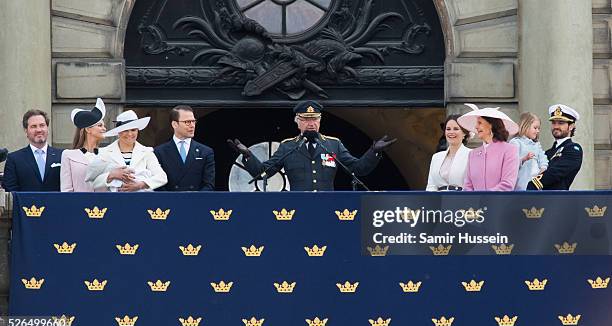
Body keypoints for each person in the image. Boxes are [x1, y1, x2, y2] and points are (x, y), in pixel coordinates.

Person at [227, 100, 396, 191]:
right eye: (306, 119)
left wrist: (374, 152)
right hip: (298, 209)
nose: (311, 123)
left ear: (320, 121)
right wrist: (248, 155)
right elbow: (263, 172)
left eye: (314, 119)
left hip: (328, 208)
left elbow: (357, 169)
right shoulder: (288, 146)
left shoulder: (333, 144)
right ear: (297, 122)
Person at [60, 99, 132, 192]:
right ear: (88, 129)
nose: (104, 128)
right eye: (100, 125)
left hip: (104, 205)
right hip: (77, 205)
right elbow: (66, 190)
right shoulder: (68, 155)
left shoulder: (108, 153)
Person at [87, 110, 167, 192]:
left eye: (133, 130)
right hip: (115, 201)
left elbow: (162, 177)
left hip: (143, 200)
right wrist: (111, 175)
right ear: (118, 132)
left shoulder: (147, 152)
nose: (130, 134)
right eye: (125, 130)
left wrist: (141, 185)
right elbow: (92, 182)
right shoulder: (104, 152)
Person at [458, 104, 519, 191]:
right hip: (475, 204)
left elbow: (507, 185)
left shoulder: (509, 150)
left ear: (491, 125)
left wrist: (483, 197)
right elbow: (468, 186)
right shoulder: (472, 154)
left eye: (480, 123)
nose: (476, 127)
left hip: (500, 203)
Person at [154, 105, 215, 191]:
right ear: (174, 124)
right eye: (187, 122)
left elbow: (209, 185)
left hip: (196, 202)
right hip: (170, 202)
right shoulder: (159, 152)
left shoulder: (206, 152)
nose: (192, 125)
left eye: (193, 121)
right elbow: (158, 185)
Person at [2, 109, 63, 191]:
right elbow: (10, 191)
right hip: (26, 204)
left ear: (47, 128)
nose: (39, 130)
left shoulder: (62, 155)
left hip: (56, 203)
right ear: (26, 131)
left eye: (42, 125)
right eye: (33, 126)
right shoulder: (14, 159)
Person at [527, 104, 582, 190]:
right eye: (553, 123)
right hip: (539, 199)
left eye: (561, 123)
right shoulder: (548, 152)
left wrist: (532, 184)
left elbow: (555, 173)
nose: (556, 126)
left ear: (571, 126)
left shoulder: (573, 149)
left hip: (557, 199)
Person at [426, 115, 471, 191]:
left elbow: (473, 184)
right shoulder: (436, 157)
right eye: (448, 129)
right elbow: (431, 186)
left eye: (456, 129)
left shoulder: (471, 154)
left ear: (464, 133)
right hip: (438, 200)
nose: (451, 132)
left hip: (461, 199)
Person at [509, 112, 548, 190]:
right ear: (525, 126)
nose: (537, 131)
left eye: (539, 129)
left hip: (536, 185)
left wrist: (543, 168)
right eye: (535, 128)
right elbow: (510, 164)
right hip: (521, 185)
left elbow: (543, 158)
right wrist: (524, 159)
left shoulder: (536, 144)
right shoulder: (515, 142)